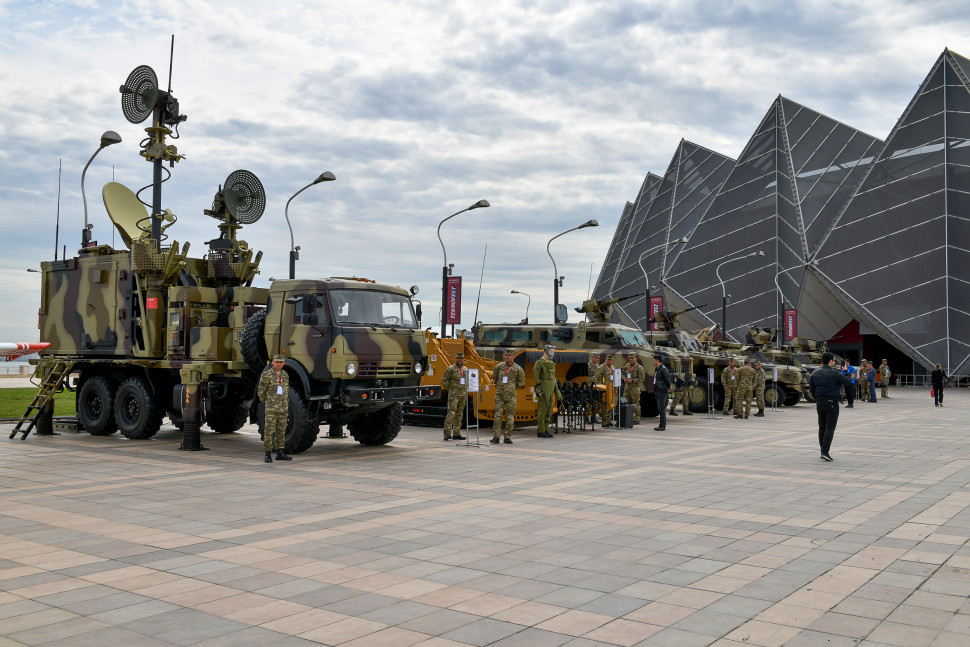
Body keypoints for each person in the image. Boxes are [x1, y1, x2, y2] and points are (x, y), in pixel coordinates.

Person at [809, 352, 851, 461]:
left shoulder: (814, 373)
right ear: (831, 361)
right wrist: (846, 370)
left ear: (822, 361)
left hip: (820, 402)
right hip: (832, 402)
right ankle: (825, 451)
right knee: (830, 428)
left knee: (822, 427)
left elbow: (812, 389)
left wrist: (818, 397)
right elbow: (847, 382)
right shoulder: (835, 373)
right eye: (833, 360)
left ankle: (823, 449)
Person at [257, 354, 292, 463]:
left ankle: (280, 452)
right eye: (277, 362)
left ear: (283, 363)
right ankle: (267, 453)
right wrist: (267, 402)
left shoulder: (285, 375)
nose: (279, 364)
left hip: (283, 408)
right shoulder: (267, 375)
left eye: (281, 362)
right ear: (272, 362)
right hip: (271, 408)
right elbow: (261, 392)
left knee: (281, 431)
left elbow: (286, 391)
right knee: (269, 431)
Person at [491, 349, 525, 443]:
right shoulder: (499, 367)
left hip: (511, 397)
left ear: (514, 356)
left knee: (510, 418)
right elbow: (494, 378)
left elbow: (521, 383)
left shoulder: (518, 369)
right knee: (497, 417)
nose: (507, 357)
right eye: (506, 355)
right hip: (500, 396)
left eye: (509, 355)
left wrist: (511, 387)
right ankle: (496, 437)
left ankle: (507, 437)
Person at [534, 345, 561, 438]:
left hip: (551, 391)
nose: (552, 352)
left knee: (549, 411)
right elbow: (537, 378)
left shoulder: (551, 363)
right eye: (550, 350)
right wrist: (538, 390)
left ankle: (546, 430)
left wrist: (557, 391)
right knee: (542, 411)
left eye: (553, 350)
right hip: (544, 390)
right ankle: (541, 431)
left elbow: (554, 378)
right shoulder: (539, 363)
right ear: (545, 351)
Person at [441, 351, 468, 440]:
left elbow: (468, 380)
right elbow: (444, 381)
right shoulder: (451, 369)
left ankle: (457, 433)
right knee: (451, 413)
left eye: (461, 358)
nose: (460, 360)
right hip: (454, 395)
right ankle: (447, 433)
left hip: (462, 395)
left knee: (459, 414)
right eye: (458, 358)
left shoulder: (465, 369)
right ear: (455, 358)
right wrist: (451, 390)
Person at [622, 352, 646, 424]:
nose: (631, 359)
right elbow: (622, 373)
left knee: (636, 404)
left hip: (635, 388)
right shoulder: (626, 366)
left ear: (636, 358)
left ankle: (636, 419)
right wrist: (624, 379)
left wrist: (632, 380)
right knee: (624, 402)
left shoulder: (639, 368)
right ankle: (626, 417)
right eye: (630, 358)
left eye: (632, 358)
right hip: (626, 388)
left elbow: (642, 378)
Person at [652, 354, 674, 431]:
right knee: (659, 408)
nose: (652, 361)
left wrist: (669, 387)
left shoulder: (663, 369)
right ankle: (661, 425)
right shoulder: (657, 369)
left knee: (661, 408)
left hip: (662, 391)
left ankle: (662, 426)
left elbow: (667, 380)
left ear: (658, 360)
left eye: (653, 360)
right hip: (657, 390)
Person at [595, 354, 616, 427]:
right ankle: (605, 422)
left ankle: (609, 420)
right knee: (605, 405)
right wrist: (600, 389)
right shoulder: (601, 367)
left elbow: (614, 379)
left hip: (611, 389)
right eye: (608, 360)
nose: (609, 361)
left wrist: (615, 388)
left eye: (611, 360)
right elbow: (598, 379)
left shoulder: (613, 368)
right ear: (606, 359)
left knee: (610, 405)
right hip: (604, 389)